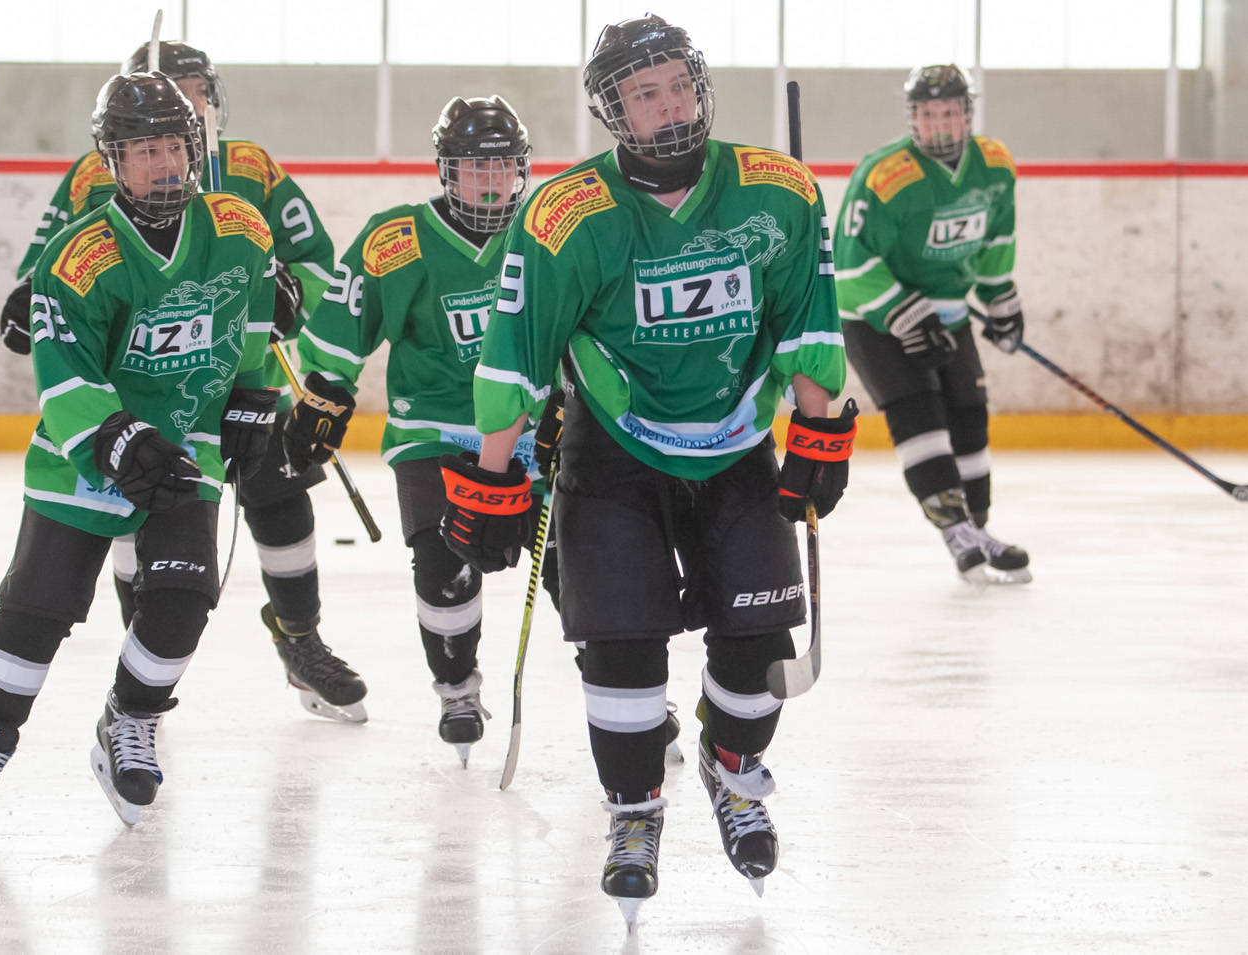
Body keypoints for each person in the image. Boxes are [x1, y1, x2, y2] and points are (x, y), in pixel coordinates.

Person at [432, 16, 849, 924]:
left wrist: (819, 432)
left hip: (737, 438)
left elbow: (808, 320)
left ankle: (731, 767)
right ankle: (633, 812)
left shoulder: (778, 191)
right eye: (645, 93)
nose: (670, 107)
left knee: (761, 638)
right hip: (614, 446)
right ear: (613, 111)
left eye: (679, 85)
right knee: (621, 644)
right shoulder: (566, 215)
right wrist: (494, 479)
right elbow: (516, 354)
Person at [288, 96, 684, 767]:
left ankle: (626, 691)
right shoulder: (398, 239)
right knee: (444, 560)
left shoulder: (551, 228)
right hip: (435, 429)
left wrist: (573, 401)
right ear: (447, 170)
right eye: (476, 168)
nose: (492, 181)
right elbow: (341, 327)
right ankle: (456, 690)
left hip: (532, 428)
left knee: (577, 564)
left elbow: (596, 326)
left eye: (503, 166)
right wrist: (325, 391)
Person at [0, 72, 277, 827]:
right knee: (38, 607)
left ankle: (131, 716)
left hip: (186, 443)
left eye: (174, 146)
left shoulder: (241, 228)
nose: (164, 164)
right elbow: (64, 377)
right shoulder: (78, 256)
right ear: (113, 162)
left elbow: (253, 315)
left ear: (195, 148)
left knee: (185, 598)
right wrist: (116, 438)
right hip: (85, 454)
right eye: (143, 151)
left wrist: (255, 392)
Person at [0, 40, 367, 722]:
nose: (187, 101)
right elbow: (48, 271)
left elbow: (318, 261)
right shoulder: (96, 174)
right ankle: (144, 652)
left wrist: (291, 293)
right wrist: (26, 301)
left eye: (195, 87)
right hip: (144, 383)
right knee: (137, 507)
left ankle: (301, 639)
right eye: (171, 86)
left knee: (281, 496)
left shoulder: (250, 165)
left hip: (241, 368)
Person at [832, 64, 1031, 584]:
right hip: (876, 318)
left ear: (968, 113)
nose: (938, 124)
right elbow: (849, 265)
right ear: (912, 118)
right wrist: (902, 312)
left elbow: (996, 241)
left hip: (948, 313)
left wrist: (1001, 300)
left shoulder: (995, 166)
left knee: (970, 415)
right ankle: (956, 533)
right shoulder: (885, 175)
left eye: (948, 112)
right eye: (926, 114)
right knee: (920, 416)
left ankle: (978, 527)